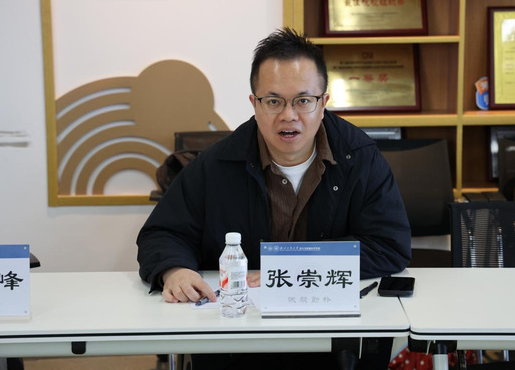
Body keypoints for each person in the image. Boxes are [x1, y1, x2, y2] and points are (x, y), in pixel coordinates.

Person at [137, 27, 411, 369]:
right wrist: (174, 269)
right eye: (273, 101)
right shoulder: (217, 163)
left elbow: (389, 245)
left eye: (303, 100)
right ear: (254, 104)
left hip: (330, 335)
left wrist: (289, 268)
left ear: (323, 103)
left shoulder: (359, 158)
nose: (288, 115)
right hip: (236, 337)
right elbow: (162, 232)